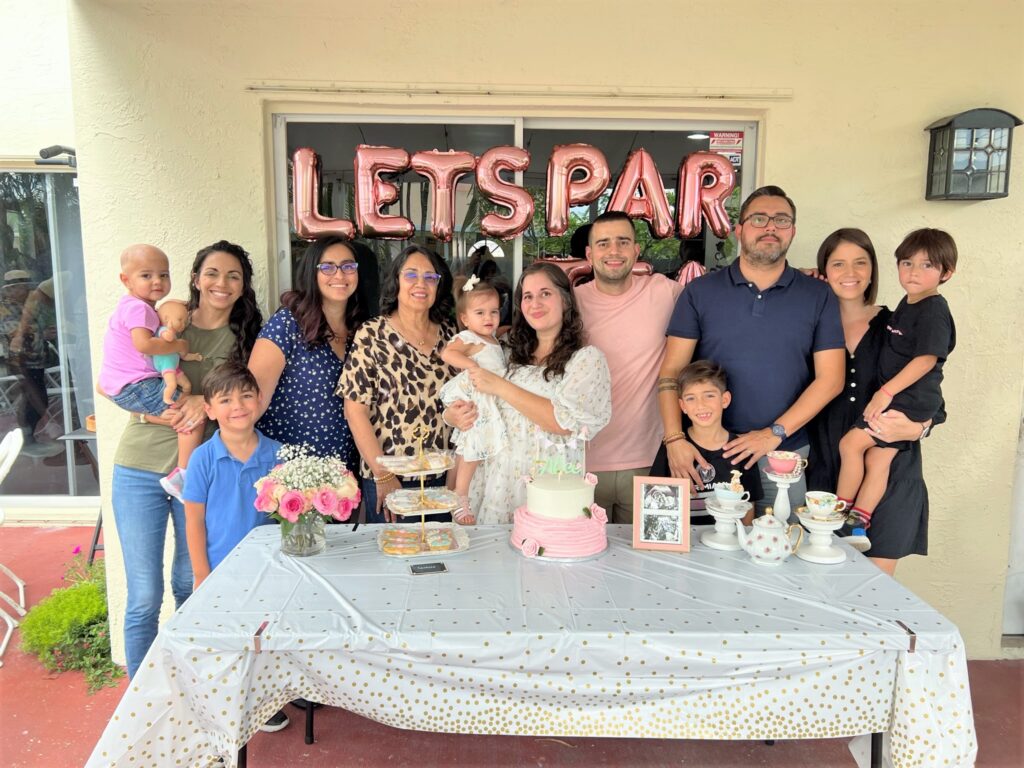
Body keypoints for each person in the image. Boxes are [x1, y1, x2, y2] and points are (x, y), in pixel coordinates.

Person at [111, 240, 262, 679]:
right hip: (138, 466)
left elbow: (236, 409)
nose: (222, 283)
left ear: (242, 287)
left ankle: (193, 678)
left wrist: (201, 403)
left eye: (233, 276)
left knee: (190, 580)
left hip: (198, 473)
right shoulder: (164, 320)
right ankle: (140, 693)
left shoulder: (243, 340)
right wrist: (166, 407)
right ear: (196, 279)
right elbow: (118, 380)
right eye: (212, 273)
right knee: (143, 594)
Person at [658, 185, 845, 513]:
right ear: (739, 229)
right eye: (759, 219)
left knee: (776, 549)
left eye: (781, 220)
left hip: (782, 452)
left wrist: (773, 434)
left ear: (793, 232)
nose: (771, 227)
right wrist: (675, 439)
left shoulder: (818, 295)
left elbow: (831, 380)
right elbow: (671, 373)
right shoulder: (700, 293)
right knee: (704, 551)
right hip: (708, 451)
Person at [806, 228, 943, 574]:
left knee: (874, 591)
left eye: (860, 263)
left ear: (873, 270)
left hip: (888, 467)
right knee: (821, 585)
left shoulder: (896, 323)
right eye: (838, 264)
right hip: (824, 465)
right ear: (824, 270)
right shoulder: (807, 322)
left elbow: (930, 390)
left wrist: (921, 428)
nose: (849, 273)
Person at [454, 261, 612, 523]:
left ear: (565, 300)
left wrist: (500, 386)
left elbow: (563, 422)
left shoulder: (586, 359)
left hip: (547, 487)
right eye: (528, 296)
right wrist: (455, 414)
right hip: (495, 482)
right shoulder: (505, 351)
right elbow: (473, 396)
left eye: (545, 294)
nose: (535, 303)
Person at [182, 362, 289, 732]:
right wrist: (201, 574)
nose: (238, 405)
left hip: (267, 568)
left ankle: (264, 701)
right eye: (225, 399)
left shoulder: (278, 455)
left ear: (259, 400)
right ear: (209, 409)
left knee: (263, 634)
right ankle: (223, 703)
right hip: (220, 567)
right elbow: (193, 519)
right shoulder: (203, 458)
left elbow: (290, 515)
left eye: (246, 395)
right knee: (224, 637)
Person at [836, 229, 956, 554]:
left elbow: (927, 360)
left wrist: (886, 394)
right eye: (907, 263)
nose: (914, 272)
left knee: (850, 445)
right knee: (877, 460)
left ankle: (841, 513)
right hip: (906, 402)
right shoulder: (910, 303)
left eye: (927, 265)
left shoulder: (932, 310)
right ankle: (858, 521)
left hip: (905, 404)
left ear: (947, 272)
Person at [575, 211, 682, 523]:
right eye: (604, 243)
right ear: (589, 254)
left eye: (623, 242)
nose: (613, 251)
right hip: (581, 465)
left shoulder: (666, 292)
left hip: (652, 461)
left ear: (636, 250)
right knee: (577, 564)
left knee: (652, 564)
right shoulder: (570, 303)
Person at [339, 245, 457, 523]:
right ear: (396, 281)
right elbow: (354, 411)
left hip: (441, 476)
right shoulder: (372, 334)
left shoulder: (452, 335)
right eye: (411, 274)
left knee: (439, 557)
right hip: (391, 478)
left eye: (431, 277)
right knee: (394, 559)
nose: (421, 283)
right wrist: (385, 475)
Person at [249, 236, 367, 469]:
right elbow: (253, 399)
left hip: (345, 475)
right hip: (289, 473)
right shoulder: (288, 324)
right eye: (327, 267)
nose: (339, 275)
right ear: (311, 273)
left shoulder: (361, 330)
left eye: (348, 266)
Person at [96, 245, 204, 499]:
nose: (157, 281)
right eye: (146, 275)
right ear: (126, 280)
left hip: (124, 384)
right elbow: (144, 345)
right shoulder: (139, 308)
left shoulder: (136, 307)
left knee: (178, 412)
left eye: (163, 275)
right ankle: (183, 477)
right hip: (137, 384)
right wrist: (178, 345)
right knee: (194, 418)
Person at [649, 360, 762, 524]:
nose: (700, 405)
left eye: (709, 395)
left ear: (725, 399)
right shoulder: (674, 449)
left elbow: (748, 509)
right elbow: (655, 504)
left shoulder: (742, 449)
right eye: (691, 398)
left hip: (727, 542)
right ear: (682, 406)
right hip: (686, 545)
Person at [439, 277, 506, 524]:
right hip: (478, 399)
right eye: (480, 313)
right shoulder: (470, 337)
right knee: (474, 446)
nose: (489, 318)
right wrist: (471, 366)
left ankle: (452, 488)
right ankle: (461, 494)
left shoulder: (491, 338)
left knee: (466, 446)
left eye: (494, 312)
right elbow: (447, 352)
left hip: (487, 397)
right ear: (466, 319)